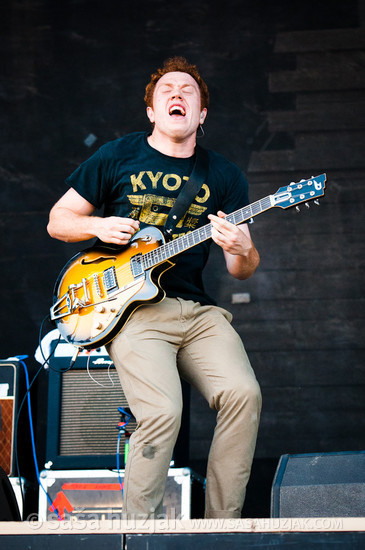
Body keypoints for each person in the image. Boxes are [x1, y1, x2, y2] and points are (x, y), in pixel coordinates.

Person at [47, 56, 262, 520]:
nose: (177, 94)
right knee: (163, 412)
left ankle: (222, 528)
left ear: (201, 114)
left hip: (197, 311)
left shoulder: (223, 176)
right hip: (137, 313)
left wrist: (243, 249)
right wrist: (100, 225)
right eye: (167, 90)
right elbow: (58, 221)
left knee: (244, 394)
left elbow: (240, 268)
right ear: (151, 111)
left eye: (188, 90)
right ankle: (138, 534)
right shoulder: (117, 156)